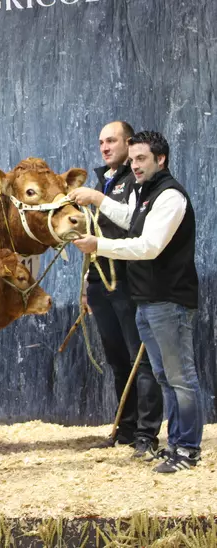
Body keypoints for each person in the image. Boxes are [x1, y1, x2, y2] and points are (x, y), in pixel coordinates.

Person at [72, 131, 202, 473]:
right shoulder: (146, 195)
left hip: (169, 300)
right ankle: (175, 444)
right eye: (132, 160)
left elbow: (149, 246)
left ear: (161, 159)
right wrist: (100, 202)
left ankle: (187, 449)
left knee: (180, 377)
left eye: (141, 159)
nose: (135, 166)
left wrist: (99, 246)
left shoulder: (170, 196)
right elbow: (130, 221)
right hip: (147, 300)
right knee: (164, 376)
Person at [79, 121, 163, 457]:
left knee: (140, 360)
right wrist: (87, 283)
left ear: (128, 143)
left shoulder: (137, 180)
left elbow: (133, 223)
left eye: (111, 140)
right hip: (102, 281)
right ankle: (126, 430)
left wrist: (97, 198)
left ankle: (146, 435)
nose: (104, 147)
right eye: (100, 142)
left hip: (128, 280)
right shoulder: (107, 178)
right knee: (117, 360)